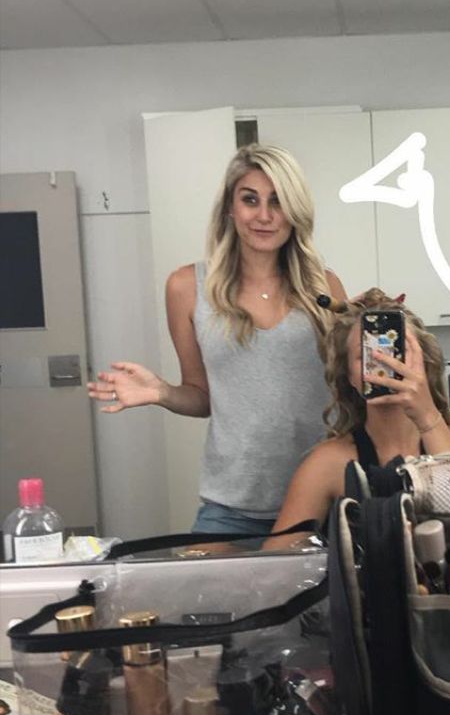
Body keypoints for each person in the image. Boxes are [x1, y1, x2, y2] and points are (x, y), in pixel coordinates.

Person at [87, 145, 345, 538]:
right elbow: (202, 397)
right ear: (230, 207)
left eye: (278, 201)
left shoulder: (324, 287)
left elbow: (348, 389)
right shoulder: (186, 287)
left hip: (320, 500)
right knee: (204, 581)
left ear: (295, 211)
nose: (264, 215)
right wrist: (162, 392)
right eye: (250, 200)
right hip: (231, 506)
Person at [266, 289, 450, 545]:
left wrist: (428, 417)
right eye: (367, 355)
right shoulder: (328, 463)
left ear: (425, 364)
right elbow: (277, 556)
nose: (384, 363)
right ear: (349, 375)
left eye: (397, 351)